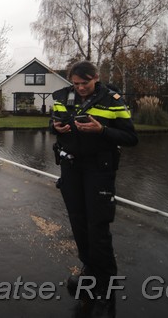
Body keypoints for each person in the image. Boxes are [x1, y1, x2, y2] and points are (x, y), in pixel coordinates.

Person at [50, 61, 138, 299]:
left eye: (85, 83)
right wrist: (56, 127)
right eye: (76, 83)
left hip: (99, 169)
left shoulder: (112, 99)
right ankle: (89, 269)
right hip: (70, 168)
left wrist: (102, 131)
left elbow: (131, 137)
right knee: (78, 221)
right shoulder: (61, 97)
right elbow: (53, 123)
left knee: (97, 224)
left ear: (96, 77)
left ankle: (106, 279)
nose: (80, 88)